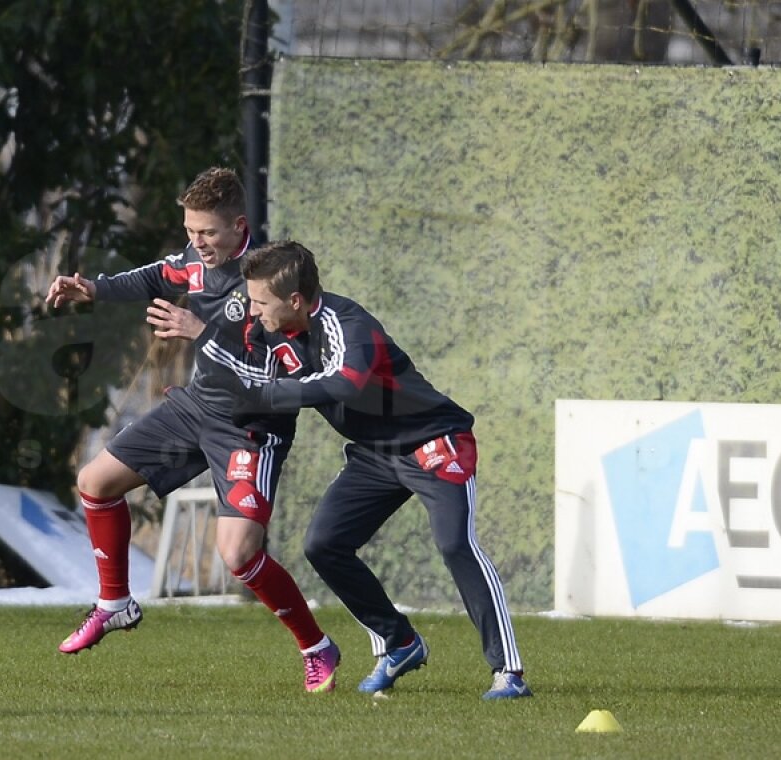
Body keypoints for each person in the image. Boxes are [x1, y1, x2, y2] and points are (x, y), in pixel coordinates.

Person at [44, 169, 340, 693]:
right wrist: (91, 288)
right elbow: (156, 275)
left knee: (239, 555)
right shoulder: (193, 262)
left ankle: (316, 646)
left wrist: (202, 332)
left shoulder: (271, 279)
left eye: (206, 232)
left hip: (251, 425)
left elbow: (274, 369)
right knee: (95, 481)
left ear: (239, 227)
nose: (194, 242)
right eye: (190, 230)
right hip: (197, 407)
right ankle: (115, 602)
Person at [201, 240, 531, 700]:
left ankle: (508, 672)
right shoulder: (271, 326)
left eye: (261, 302)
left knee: (456, 543)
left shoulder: (348, 324)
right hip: (375, 453)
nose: (253, 311)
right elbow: (234, 357)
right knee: (324, 544)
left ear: (294, 300)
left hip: (434, 442)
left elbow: (344, 383)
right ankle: (399, 642)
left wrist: (266, 396)